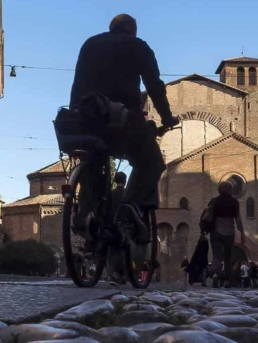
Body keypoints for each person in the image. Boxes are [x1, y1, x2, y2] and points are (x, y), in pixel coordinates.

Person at [69, 14, 179, 232]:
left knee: (94, 160)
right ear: (132, 29)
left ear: (112, 28)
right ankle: (128, 207)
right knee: (152, 162)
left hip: (86, 118)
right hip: (123, 120)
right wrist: (166, 118)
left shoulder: (89, 44)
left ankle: (85, 215)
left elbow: (77, 83)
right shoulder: (138, 46)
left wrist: (75, 115)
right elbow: (155, 87)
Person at [208, 181, 245, 288]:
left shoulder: (214, 201)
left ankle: (215, 275)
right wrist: (241, 233)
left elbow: (208, 215)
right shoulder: (234, 202)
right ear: (229, 190)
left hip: (216, 231)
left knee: (216, 255)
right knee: (228, 257)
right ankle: (228, 281)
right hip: (229, 233)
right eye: (230, 188)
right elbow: (238, 219)